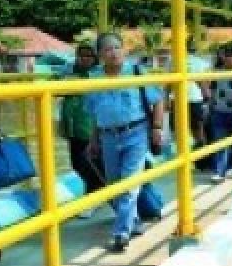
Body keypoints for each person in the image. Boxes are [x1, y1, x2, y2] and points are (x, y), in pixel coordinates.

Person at [85, 31, 165, 253]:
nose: (113, 53)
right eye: (107, 49)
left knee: (128, 183)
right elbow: (94, 112)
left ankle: (121, 233)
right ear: (100, 54)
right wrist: (94, 139)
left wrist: (157, 128)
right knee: (114, 184)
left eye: (116, 48)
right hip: (108, 136)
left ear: (124, 50)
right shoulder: (94, 78)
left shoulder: (136, 71)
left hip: (136, 133)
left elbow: (158, 100)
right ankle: (134, 221)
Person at [58, 42, 104, 217]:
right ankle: (96, 194)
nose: (84, 59)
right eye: (81, 55)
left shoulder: (97, 74)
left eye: (88, 55)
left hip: (90, 126)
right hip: (72, 125)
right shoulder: (69, 71)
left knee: (88, 163)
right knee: (76, 163)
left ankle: (93, 198)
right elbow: (52, 85)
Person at [207, 42, 232, 182]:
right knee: (220, 141)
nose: (228, 59)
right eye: (226, 56)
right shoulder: (217, 71)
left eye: (231, 56)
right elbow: (210, 87)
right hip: (219, 111)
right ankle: (219, 171)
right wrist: (210, 102)